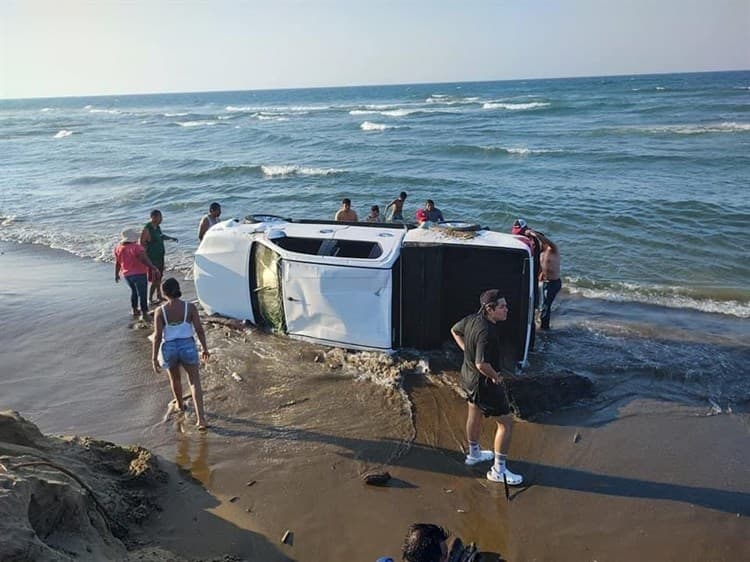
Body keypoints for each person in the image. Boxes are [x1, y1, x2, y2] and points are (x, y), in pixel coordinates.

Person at [450, 289, 523, 485]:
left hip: (468, 379)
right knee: (506, 423)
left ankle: (474, 454)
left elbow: (455, 330)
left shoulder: (473, 319)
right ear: (490, 309)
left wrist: (467, 350)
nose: (507, 310)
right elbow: (482, 364)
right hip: (483, 384)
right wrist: (496, 377)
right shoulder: (487, 333)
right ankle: (499, 470)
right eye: (502, 307)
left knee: (474, 414)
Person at [152, 278, 209, 431]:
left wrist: (154, 357)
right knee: (194, 382)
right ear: (178, 289)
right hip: (187, 345)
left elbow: (157, 336)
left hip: (169, 347)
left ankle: (180, 405)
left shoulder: (160, 311)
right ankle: (201, 419)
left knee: (175, 379)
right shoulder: (189, 307)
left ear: (164, 292)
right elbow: (199, 330)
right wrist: (204, 348)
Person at [114, 229, 162, 321]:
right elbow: (143, 259)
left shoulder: (118, 248)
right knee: (142, 293)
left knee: (134, 292)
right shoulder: (137, 247)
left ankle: (135, 309)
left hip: (127, 275)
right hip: (139, 273)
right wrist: (153, 268)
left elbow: (118, 263)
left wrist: (116, 274)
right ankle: (144, 313)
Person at [141, 209, 178, 305]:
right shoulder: (147, 228)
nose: (161, 219)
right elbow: (142, 243)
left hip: (160, 256)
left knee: (159, 277)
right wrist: (146, 255)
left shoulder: (157, 227)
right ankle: (150, 298)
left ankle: (159, 295)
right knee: (154, 279)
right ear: (154, 217)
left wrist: (171, 238)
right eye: (160, 217)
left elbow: (161, 236)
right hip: (152, 258)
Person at [539, 238, 562, 330]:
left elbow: (550, 242)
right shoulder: (541, 254)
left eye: (541, 243)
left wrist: (535, 234)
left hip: (554, 283)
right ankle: (543, 322)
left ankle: (544, 328)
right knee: (544, 304)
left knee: (546, 306)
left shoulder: (553, 250)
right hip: (545, 282)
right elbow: (543, 266)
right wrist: (540, 275)